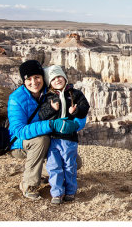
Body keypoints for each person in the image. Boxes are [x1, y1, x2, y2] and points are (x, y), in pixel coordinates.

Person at [8, 60, 84, 200]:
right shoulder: (16, 99)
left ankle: (44, 174)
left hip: (51, 140)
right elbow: (19, 130)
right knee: (41, 140)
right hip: (21, 144)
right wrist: (51, 125)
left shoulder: (51, 91)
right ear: (23, 81)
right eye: (28, 79)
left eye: (37, 77)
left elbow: (77, 111)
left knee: (75, 162)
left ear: (43, 78)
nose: (33, 82)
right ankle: (29, 184)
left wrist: (76, 124)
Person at [39, 65, 90, 204]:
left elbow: (85, 108)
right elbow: (41, 115)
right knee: (53, 166)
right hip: (53, 138)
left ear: (65, 78)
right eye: (53, 78)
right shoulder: (47, 97)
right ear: (49, 82)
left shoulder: (75, 94)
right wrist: (51, 108)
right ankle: (56, 193)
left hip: (69, 139)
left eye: (59, 76)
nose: (57, 80)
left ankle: (70, 192)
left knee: (70, 165)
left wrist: (76, 110)